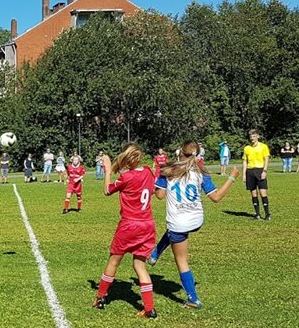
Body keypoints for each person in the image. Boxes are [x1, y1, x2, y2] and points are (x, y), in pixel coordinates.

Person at [148, 142, 239, 308]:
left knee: (181, 260)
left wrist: (159, 181)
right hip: (197, 220)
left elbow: (159, 196)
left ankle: (193, 299)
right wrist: (232, 177)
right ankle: (155, 254)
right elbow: (216, 197)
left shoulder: (168, 170)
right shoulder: (201, 172)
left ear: (179, 153)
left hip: (179, 223)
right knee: (174, 231)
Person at [93, 146, 158, 318]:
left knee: (114, 261)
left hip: (130, 225)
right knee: (139, 265)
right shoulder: (147, 171)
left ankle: (100, 297)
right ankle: (149, 308)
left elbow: (108, 190)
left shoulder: (126, 177)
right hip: (148, 224)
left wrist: (107, 170)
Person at [242, 129, 271, 220]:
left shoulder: (263, 146)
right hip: (250, 171)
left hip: (260, 170)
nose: (252, 138)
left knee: (263, 193)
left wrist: (264, 171)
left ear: (257, 136)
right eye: (251, 137)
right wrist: (244, 174)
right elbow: (245, 161)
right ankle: (257, 214)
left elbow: (266, 159)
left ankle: (267, 214)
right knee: (253, 194)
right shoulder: (247, 148)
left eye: (254, 136)